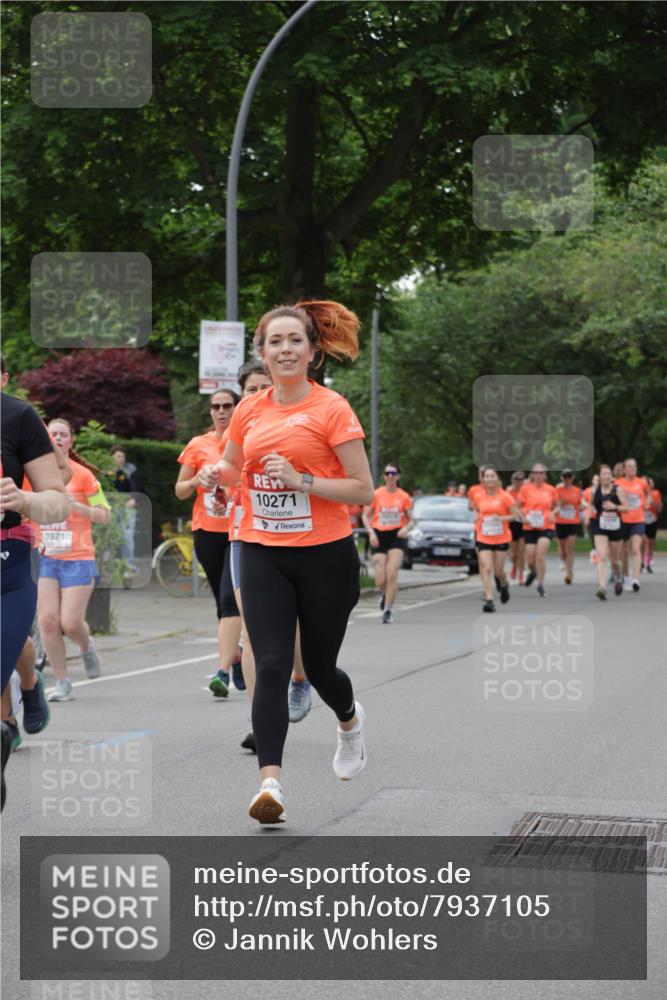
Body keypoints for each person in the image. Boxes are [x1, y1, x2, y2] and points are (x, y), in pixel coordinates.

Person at [212, 299, 374, 824]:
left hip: (325, 555)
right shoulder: (249, 409)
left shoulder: (333, 409)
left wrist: (301, 480)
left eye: (294, 341)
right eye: (274, 342)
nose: (285, 349)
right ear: (262, 352)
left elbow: (362, 490)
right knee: (273, 663)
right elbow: (234, 467)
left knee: (321, 668)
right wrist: (219, 484)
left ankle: (349, 722)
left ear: (312, 351)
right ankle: (271, 786)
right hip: (262, 551)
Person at [227, 361, 310, 754]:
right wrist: (216, 481)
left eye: (264, 386)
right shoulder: (236, 431)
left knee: (289, 626)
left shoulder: (295, 426)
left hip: (293, 539)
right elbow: (226, 474)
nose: (257, 393)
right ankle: (259, 722)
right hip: (246, 538)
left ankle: (299, 677)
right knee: (251, 632)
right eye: (250, 388)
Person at [1, 375, 69, 809]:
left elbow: (57, 502)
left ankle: (23, 694)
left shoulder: (17, 415)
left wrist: (24, 502)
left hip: (7, 569)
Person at [37, 419, 111, 702]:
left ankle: (86, 645)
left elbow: (105, 514)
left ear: (70, 441)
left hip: (78, 557)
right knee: (48, 621)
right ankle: (63, 681)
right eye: (52, 434)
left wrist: (76, 506)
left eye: (62, 434)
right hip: (45, 556)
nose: (56, 438)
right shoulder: (35, 475)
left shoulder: (83, 476)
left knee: (70, 622)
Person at [176, 388, 242, 697]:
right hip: (206, 531)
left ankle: (222, 672)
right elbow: (180, 490)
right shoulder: (197, 445)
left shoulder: (244, 443)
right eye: (215, 406)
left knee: (231, 600)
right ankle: (237, 655)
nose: (221, 411)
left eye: (227, 405)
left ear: (236, 408)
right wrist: (196, 480)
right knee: (222, 603)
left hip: (239, 531)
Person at [362, 464, 412, 624]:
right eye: (387, 473)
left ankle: (388, 609)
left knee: (392, 572)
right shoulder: (376, 494)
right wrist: (371, 533)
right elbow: (365, 516)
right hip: (379, 535)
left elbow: (412, 520)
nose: (390, 476)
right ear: (384, 476)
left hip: (397, 535)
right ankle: (385, 595)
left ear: (398, 476)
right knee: (380, 580)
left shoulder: (404, 496)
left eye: (393, 473)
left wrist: (406, 528)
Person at [469, 467, 520, 612]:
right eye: (487, 476)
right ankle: (489, 600)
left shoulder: (506, 497)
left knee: (499, 572)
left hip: (501, 537)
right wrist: (476, 517)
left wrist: (502, 518)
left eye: (492, 476)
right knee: (487, 567)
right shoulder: (478, 497)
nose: (490, 479)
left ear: (497, 479)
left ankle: (504, 585)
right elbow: (477, 511)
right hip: (484, 536)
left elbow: (515, 515)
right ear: (483, 479)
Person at [518, 464, 557, 597]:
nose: (539, 475)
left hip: (546, 526)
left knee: (540, 556)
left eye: (541, 473)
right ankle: (533, 571)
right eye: (536, 473)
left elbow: (557, 506)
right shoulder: (525, 489)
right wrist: (522, 517)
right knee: (530, 559)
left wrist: (553, 513)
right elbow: (517, 507)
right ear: (532, 474)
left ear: (545, 475)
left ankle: (540, 584)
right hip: (530, 526)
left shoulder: (550, 489)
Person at [591, 465, 627, 599]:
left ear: (611, 476)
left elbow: (627, 507)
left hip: (615, 527)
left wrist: (615, 507)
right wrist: (592, 512)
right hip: (600, 526)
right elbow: (591, 504)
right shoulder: (595, 490)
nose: (606, 476)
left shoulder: (618, 490)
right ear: (599, 476)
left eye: (608, 474)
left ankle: (618, 579)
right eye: (603, 474)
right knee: (601, 557)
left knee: (614, 560)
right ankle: (602, 587)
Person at [108, 445, 142, 576]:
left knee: (127, 537)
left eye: (123, 456)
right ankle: (110, 567)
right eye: (118, 456)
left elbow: (136, 486)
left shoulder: (130, 469)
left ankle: (129, 567)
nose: (121, 459)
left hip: (127, 507)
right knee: (109, 538)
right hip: (111, 508)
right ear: (112, 457)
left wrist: (133, 499)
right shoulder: (107, 471)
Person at [615, 457, 648, 592]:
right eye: (630, 466)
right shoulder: (617, 483)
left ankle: (636, 579)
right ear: (624, 469)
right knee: (623, 551)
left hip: (638, 519)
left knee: (635, 549)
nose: (633, 468)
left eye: (634, 466)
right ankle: (627, 577)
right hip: (622, 520)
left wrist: (646, 503)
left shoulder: (642, 483)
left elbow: (648, 495)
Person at [554, 470, 583, 585]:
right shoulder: (557, 491)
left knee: (570, 548)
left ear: (573, 477)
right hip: (560, 522)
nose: (567, 478)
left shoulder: (577, 491)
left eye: (569, 476)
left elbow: (581, 503)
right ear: (562, 478)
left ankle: (569, 573)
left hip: (572, 522)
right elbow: (553, 505)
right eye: (565, 476)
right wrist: (560, 504)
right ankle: (563, 560)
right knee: (562, 547)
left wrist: (582, 507)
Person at [507, 471, 526, 584]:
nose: (519, 482)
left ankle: (521, 575)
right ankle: (514, 565)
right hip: (512, 524)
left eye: (521, 479)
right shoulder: (509, 492)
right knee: (514, 553)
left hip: (523, 524)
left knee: (521, 552)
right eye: (517, 480)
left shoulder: (526, 492)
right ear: (513, 481)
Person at [642, 476, 662, 573]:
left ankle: (648, 563)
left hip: (652, 520)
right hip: (641, 520)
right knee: (643, 540)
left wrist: (651, 501)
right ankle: (642, 561)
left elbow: (659, 509)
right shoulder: (638, 494)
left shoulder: (655, 493)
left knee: (650, 542)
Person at [583, 473, 600, 564]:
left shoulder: (603, 491)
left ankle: (601, 554)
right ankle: (594, 552)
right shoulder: (588, 491)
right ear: (592, 481)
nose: (596, 481)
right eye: (595, 480)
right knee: (593, 535)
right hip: (591, 516)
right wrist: (588, 505)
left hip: (601, 517)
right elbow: (583, 501)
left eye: (598, 480)